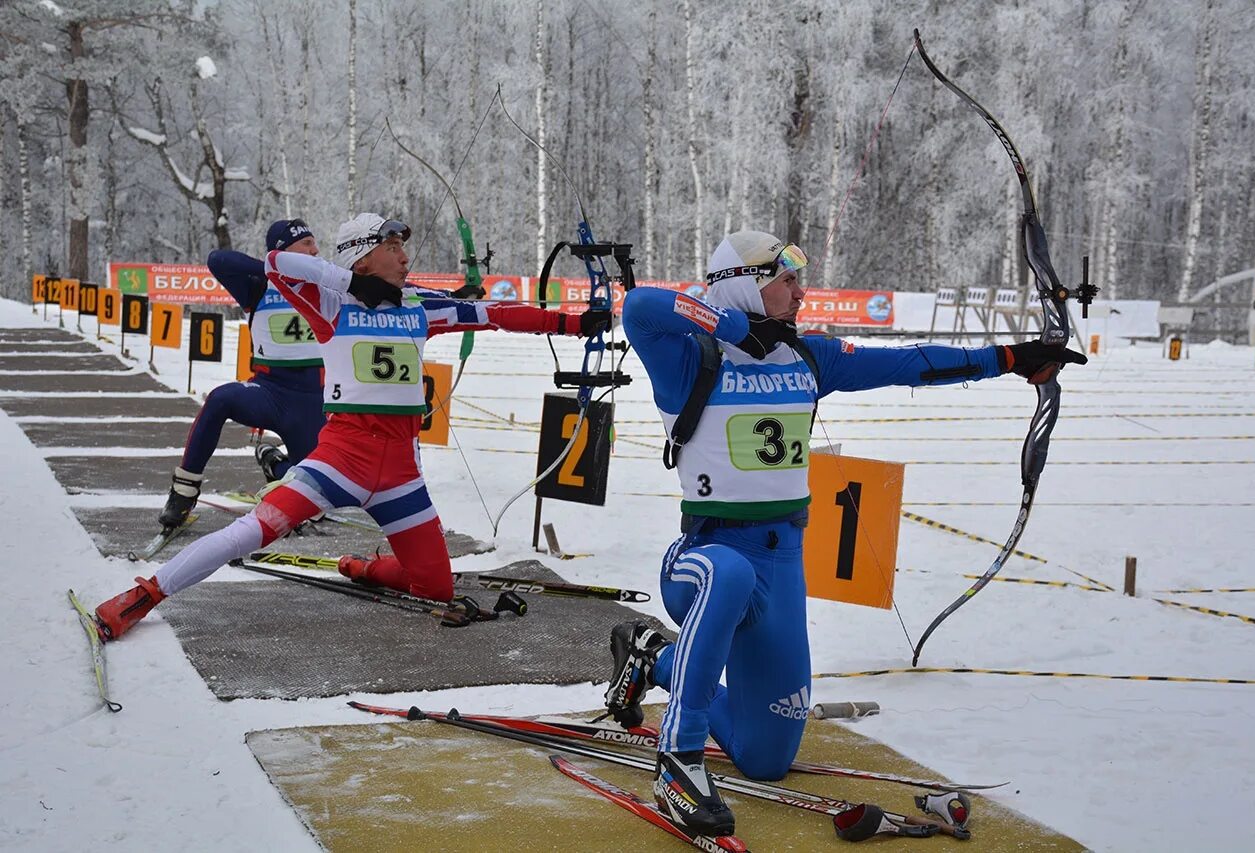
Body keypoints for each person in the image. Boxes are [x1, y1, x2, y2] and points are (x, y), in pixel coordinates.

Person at [599, 230, 1087, 837]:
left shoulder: (808, 357)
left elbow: (911, 363)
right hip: (703, 559)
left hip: (780, 568)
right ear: (747, 284)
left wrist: (1012, 359)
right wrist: (730, 329)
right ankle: (679, 759)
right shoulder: (691, 356)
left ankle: (655, 659)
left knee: (766, 757)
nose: (800, 292)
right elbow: (642, 306)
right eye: (787, 279)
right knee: (729, 573)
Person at [94, 212, 610, 641]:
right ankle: (144, 593)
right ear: (362, 256)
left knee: (436, 586)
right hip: (339, 459)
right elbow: (276, 263)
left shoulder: (419, 307)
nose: (406, 256)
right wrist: (349, 282)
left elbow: (497, 313)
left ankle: (363, 566)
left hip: (401, 474)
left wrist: (574, 323)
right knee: (251, 532)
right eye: (392, 246)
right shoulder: (329, 302)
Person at [156, 219, 326, 533]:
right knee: (220, 398)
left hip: (313, 404)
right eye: (307, 244)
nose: (315, 250)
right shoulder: (259, 286)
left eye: (315, 244)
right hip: (270, 394)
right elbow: (217, 260)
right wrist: (274, 269)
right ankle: (183, 493)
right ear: (283, 252)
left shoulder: (325, 284)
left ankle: (274, 462)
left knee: (315, 504)